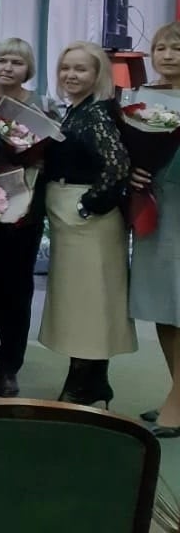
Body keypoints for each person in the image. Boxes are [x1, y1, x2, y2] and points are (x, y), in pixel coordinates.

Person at [39, 41, 134, 407]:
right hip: (71, 219)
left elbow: (117, 165)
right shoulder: (76, 110)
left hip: (89, 222)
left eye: (80, 69)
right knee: (79, 301)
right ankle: (93, 382)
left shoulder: (96, 113)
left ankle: (83, 385)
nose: (71, 75)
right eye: (66, 68)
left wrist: (88, 206)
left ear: (98, 74)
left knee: (89, 302)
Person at [0, 37, 51, 397]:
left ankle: (9, 367)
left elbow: (50, 155)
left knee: (16, 292)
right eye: (1, 60)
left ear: (28, 69)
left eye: (17, 62)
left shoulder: (40, 105)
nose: (7, 67)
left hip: (23, 213)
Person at [128, 22, 180, 435]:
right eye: (160, 48)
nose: (167, 55)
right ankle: (176, 394)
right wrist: (134, 170)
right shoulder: (142, 98)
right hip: (154, 206)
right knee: (162, 306)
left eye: (176, 48)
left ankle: (177, 406)